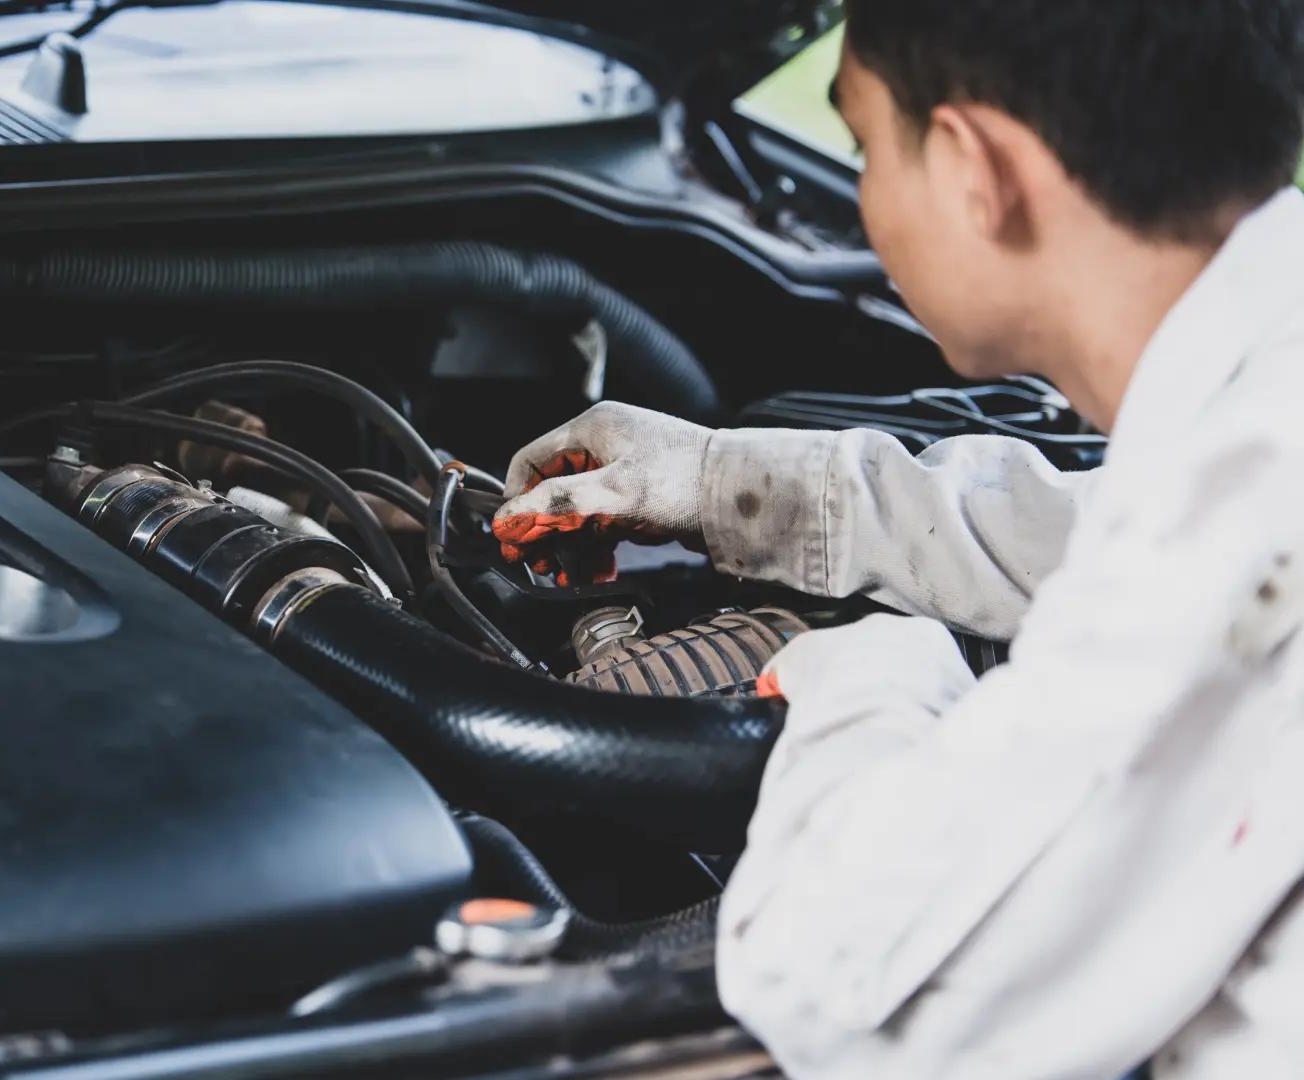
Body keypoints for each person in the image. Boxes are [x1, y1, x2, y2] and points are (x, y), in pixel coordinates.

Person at [491, 2, 1304, 1076]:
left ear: (975, 168)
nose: (864, 195)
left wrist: (876, 677)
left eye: (866, 148)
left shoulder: (1244, 531)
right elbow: (1079, 529)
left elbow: (832, 990)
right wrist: (718, 479)